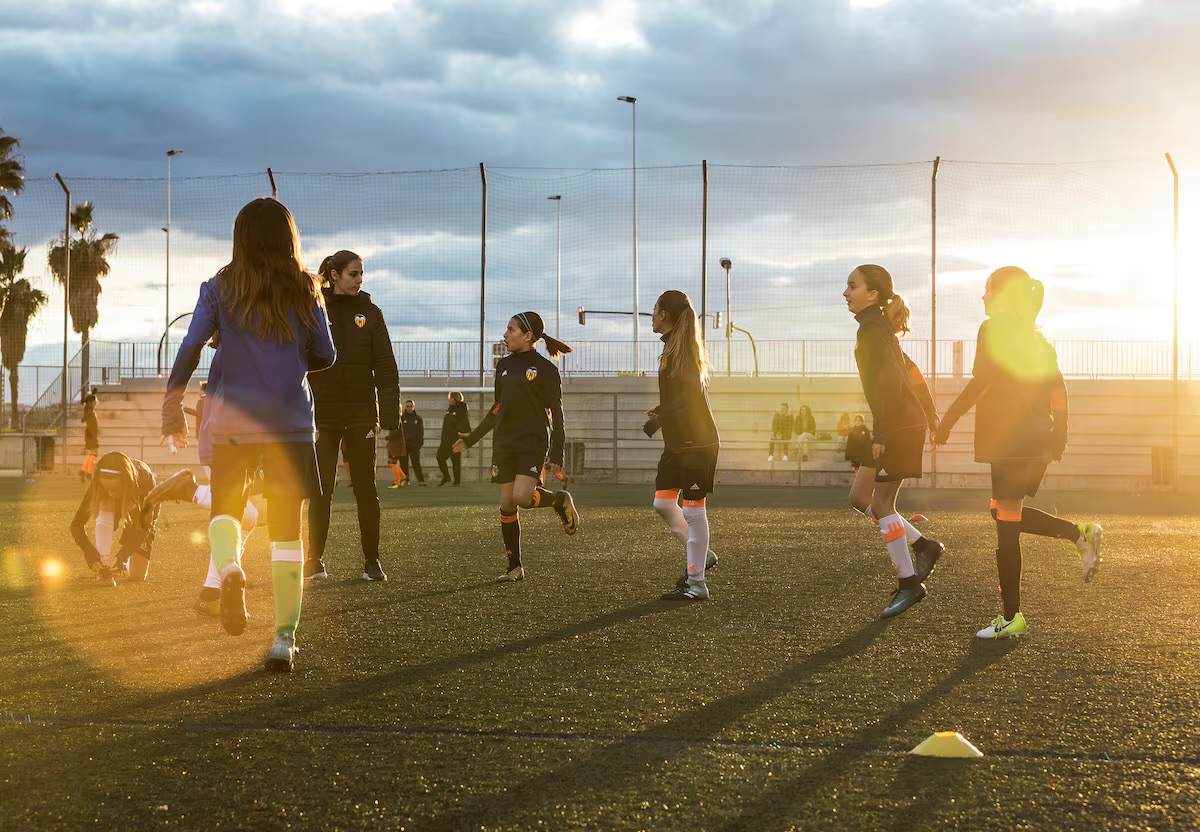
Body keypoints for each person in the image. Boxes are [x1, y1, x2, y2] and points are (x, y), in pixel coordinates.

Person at [161, 196, 335, 673]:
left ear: (239, 236)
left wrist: (171, 404)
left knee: (226, 509)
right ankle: (284, 639)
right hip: (291, 423)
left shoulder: (219, 286)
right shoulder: (305, 288)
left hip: (235, 421)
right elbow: (326, 353)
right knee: (285, 534)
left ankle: (231, 570)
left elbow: (192, 345)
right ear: (288, 237)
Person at [933, 266, 1103, 640]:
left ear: (1003, 296)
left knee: (1006, 523)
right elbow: (1058, 388)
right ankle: (1080, 534)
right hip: (1036, 441)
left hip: (1011, 442)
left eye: (988, 291)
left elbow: (982, 382)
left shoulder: (991, 330)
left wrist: (947, 421)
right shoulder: (1037, 339)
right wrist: (1060, 435)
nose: (983, 298)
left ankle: (1011, 618)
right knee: (1002, 512)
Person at [845, 264, 942, 619]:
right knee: (860, 498)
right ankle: (924, 545)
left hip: (897, 426)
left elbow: (893, 383)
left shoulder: (873, 331)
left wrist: (885, 432)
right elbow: (907, 376)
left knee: (883, 505)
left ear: (873, 295)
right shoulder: (874, 329)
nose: (845, 293)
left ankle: (909, 585)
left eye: (852, 286)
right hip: (891, 423)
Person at [454, 312, 579, 581]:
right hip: (505, 442)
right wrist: (473, 437)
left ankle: (559, 500)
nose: (505, 334)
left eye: (511, 330)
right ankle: (514, 567)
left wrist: (557, 452)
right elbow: (498, 407)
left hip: (532, 441)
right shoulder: (503, 366)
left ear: (528, 336)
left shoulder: (546, 370)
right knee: (507, 504)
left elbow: (557, 414)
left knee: (523, 497)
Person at [144, 344, 262, 618]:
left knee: (238, 518)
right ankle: (190, 490)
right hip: (225, 447)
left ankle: (211, 593)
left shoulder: (232, 356)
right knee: (243, 517)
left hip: (223, 446)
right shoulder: (241, 357)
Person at [306, 249, 400, 582]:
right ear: (334, 275)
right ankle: (313, 561)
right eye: (353, 274)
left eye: (362, 274)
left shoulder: (371, 313)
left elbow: (386, 366)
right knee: (319, 490)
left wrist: (391, 420)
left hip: (361, 415)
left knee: (366, 490)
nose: (360, 280)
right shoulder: (314, 309)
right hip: (323, 416)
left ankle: (371, 561)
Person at [645, 290, 720, 601]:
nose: (651, 315)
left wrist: (660, 416)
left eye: (654, 310)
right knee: (663, 503)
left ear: (664, 315)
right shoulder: (671, 349)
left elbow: (688, 399)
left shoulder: (683, 351)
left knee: (693, 511)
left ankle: (697, 582)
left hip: (697, 443)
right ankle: (704, 557)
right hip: (678, 443)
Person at [70, 451, 160, 587]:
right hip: (118, 504)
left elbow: (144, 529)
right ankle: (104, 568)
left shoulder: (145, 482)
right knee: (105, 503)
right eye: (107, 489)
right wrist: (90, 553)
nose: (111, 493)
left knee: (137, 576)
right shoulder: (98, 485)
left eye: (115, 489)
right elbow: (76, 525)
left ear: (127, 483)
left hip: (137, 511)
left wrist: (122, 557)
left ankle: (122, 559)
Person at [436, 391, 471, 486]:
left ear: (456, 399)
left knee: (455, 461)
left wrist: (462, 435)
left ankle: (456, 481)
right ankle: (447, 476)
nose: (449, 400)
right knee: (440, 457)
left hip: (455, 439)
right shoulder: (450, 409)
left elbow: (465, 424)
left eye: (450, 398)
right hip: (446, 440)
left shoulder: (461, 410)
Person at [401, 399, 427, 485]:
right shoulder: (402, 418)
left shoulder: (418, 419)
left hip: (414, 445)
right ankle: (405, 480)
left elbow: (421, 432)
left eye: (410, 406)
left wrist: (419, 443)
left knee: (416, 463)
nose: (409, 408)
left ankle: (421, 480)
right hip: (404, 445)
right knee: (404, 464)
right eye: (407, 406)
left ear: (413, 407)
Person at [80, 390, 99, 482]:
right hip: (90, 434)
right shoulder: (89, 410)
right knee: (94, 454)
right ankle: (88, 472)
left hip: (91, 434)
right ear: (90, 403)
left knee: (92, 454)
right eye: (94, 401)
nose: (96, 402)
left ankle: (84, 471)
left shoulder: (89, 410)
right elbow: (84, 420)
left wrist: (93, 394)